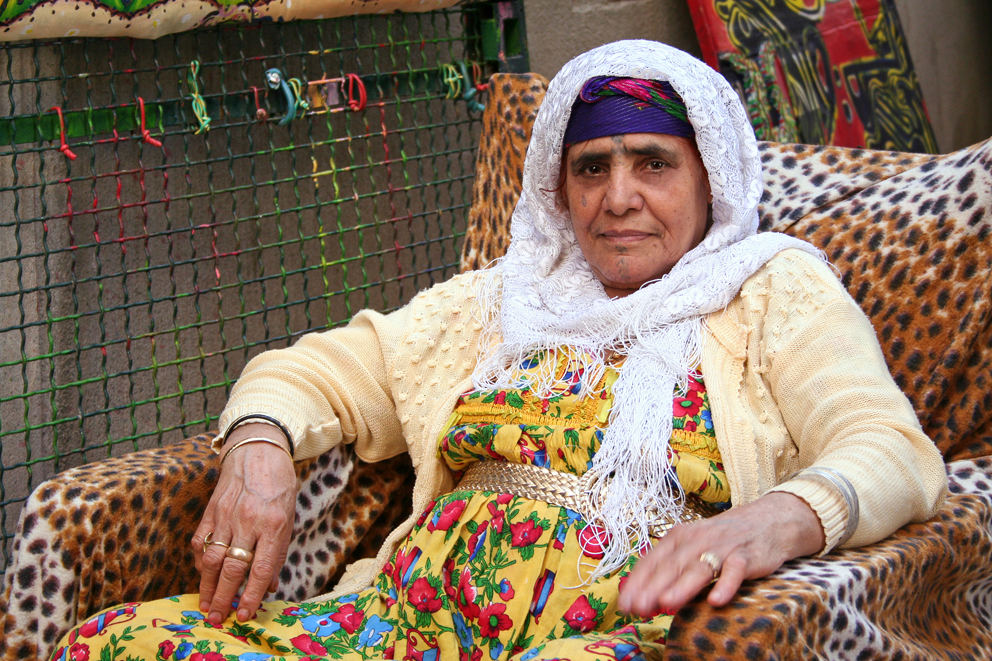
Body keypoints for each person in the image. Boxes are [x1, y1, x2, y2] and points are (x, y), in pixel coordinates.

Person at [51, 40, 946, 661]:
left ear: (710, 175)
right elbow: (315, 368)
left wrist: (772, 520)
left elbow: (889, 447)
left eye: (653, 163)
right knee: (109, 641)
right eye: (592, 167)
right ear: (560, 188)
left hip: (619, 631)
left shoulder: (772, 291)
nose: (619, 195)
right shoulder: (502, 300)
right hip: (403, 625)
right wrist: (257, 447)